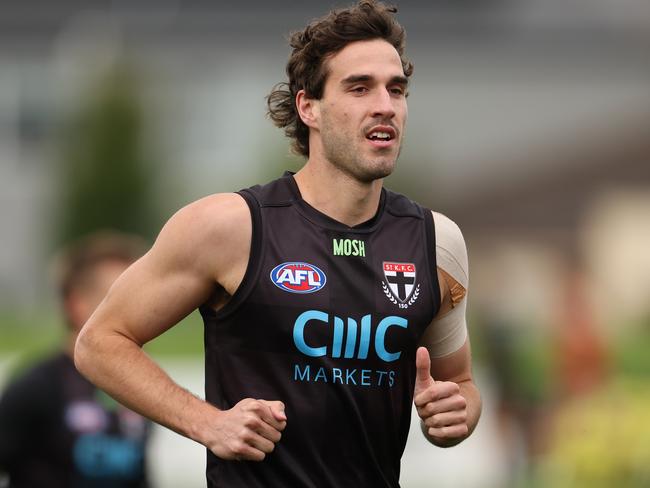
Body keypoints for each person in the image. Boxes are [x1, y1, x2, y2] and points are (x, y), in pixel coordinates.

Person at [74, 1, 482, 486]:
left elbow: (460, 385)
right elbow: (99, 343)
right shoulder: (231, 227)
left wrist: (458, 416)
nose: (385, 105)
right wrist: (209, 423)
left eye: (397, 89)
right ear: (308, 106)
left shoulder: (437, 242)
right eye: (359, 87)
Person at [0, 232, 151, 488]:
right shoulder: (35, 387)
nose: (142, 309)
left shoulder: (143, 383)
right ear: (76, 304)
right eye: (120, 297)